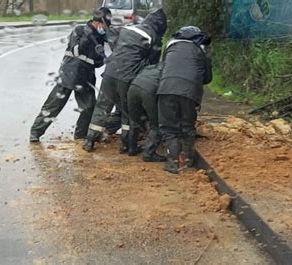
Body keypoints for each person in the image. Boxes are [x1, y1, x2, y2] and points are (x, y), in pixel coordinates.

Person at [82, 8, 167, 153]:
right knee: (126, 112)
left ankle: (90, 141)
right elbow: (151, 65)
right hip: (127, 77)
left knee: (102, 107)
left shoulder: (128, 29)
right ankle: (127, 144)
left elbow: (114, 42)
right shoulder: (153, 38)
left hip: (109, 73)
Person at [29, 8, 112, 142]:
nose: (105, 28)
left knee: (89, 107)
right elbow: (75, 50)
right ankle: (35, 132)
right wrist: (87, 37)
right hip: (69, 73)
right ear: (97, 22)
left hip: (86, 77)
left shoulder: (100, 38)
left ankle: (81, 134)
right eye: (104, 25)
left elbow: (96, 63)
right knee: (54, 104)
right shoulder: (79, 30)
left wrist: (102, 57)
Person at [157, 26, 212, 174]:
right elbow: (207, 78)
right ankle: (188, 160)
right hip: (190, 92)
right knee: (187, 126)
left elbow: (162, 68)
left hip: (166, 88)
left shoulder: (170, 45)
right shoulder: (201, 50)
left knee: (169, 127)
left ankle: (173, 163)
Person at [127, 63, 166, 162]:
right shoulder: (168, 72)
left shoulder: (151, 66)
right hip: (148, 91)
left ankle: (131, 148)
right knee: (156, 125)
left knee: (134, 119)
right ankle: (149, 153)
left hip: (133, 87)